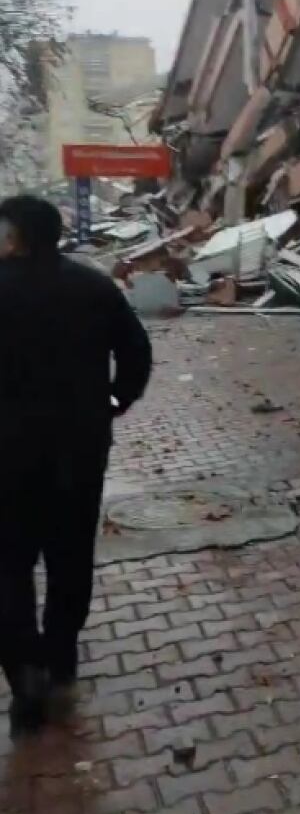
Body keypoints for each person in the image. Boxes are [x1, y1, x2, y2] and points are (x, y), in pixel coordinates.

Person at [0, 195, 152, 735]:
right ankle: (60, 656)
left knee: (9, 567)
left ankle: (25, 674)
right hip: (78, 451)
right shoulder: (93, 287)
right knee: (70, 558)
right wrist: (116, 401)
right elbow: (136, 353)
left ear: (14, 237)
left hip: (7, 459)